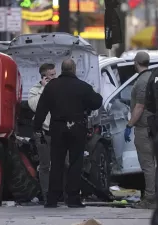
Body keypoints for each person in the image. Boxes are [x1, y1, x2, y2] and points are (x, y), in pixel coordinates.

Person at [34, 59, 103, 208]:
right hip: (77, 129)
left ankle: (52, 199)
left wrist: (37, 128)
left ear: (62, 69)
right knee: (75, 163)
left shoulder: (51, 86)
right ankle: (72, 198)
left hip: (57, 129)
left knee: (56, 163)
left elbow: (41, 109)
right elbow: (97, 101)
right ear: (74, 69)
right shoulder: (82, 86)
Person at [123, 52, 157, 209]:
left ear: (136, 62)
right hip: (154, 127)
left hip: (144, 128)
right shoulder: (152, 77)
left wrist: (129, 125)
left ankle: (150, 198)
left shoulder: (142, 81)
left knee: (147, 164)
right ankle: (156, 195)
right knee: (154, 164)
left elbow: (140, 106)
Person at [28, 63, 56, 203]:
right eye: (51, 75)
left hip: (58, 132)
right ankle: (46, 195)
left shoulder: (59, 88)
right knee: (45, 165)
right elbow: (34, 106)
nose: (54, 77)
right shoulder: (35, 90)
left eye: (55, 74)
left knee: (64, 163)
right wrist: (44, 89)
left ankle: (61, 193)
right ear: (44, 77)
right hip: (43, 133)